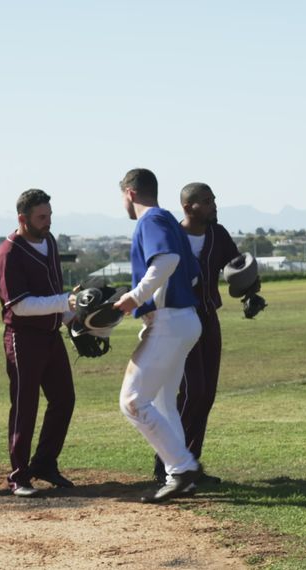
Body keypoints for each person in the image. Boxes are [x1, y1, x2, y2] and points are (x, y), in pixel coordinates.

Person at [113, 168, 205, 503]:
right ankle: (180, 476)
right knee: (164, 402)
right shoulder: (167, 220)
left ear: (130, 193)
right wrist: (150, 307)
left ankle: (181, 468)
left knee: (133, 402)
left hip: (171, 323)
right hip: (184, 320)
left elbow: (167, 259)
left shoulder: (150, 221)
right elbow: (190, 276)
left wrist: (137, 298)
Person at [151, 182, 241, 485]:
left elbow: (236, 267)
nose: (214, 205)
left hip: (208, 319)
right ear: (188, 207)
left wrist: (250, 291)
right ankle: (169, 461)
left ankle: (190, 461)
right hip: (178, 320)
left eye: (214, 199)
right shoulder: (170, 237)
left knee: (206, 395)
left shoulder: (218, 234)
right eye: (207, 201)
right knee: (192, 392)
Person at [0, 189, 77, 497]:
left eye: (50, 215)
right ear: (22, 218)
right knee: (25, 406)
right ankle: (19, 475)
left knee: (64, 399)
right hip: (23, 338)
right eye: (41, 217)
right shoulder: (9, 252)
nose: (48, 222)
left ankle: (44, 463)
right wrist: (64, 302)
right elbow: (19, 305)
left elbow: (55, 290)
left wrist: (71, 319)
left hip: (51, 335)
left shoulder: (49, 242)